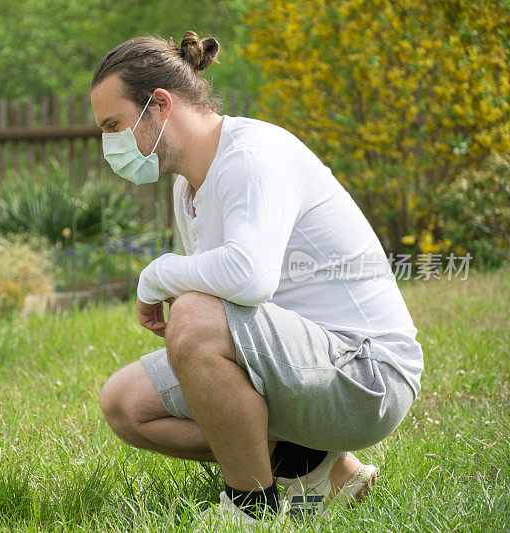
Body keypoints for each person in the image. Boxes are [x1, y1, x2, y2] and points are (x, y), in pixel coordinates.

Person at [90, 31, 423, 527]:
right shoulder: (188, 187)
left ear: (159, 105)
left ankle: (251, 507)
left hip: (368, 374)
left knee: (195, 317)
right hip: (304, 365)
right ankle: (314, 467)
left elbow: (248, 277)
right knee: (125, 404)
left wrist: (157, 275)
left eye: (114, 125)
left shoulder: (251, 156)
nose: (109, 144)